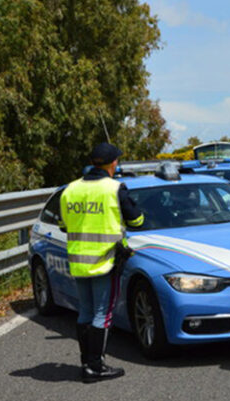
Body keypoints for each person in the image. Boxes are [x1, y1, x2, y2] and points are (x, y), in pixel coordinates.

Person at [59, 143, 144, 383]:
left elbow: (64, 225)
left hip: (78, 261)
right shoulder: (115, 188)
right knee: (102, 314)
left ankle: (87, 363)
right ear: (113, 163)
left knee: (85, 311)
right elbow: (137, 221)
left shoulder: (70, 189)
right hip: (105, 261)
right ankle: (96, 367)